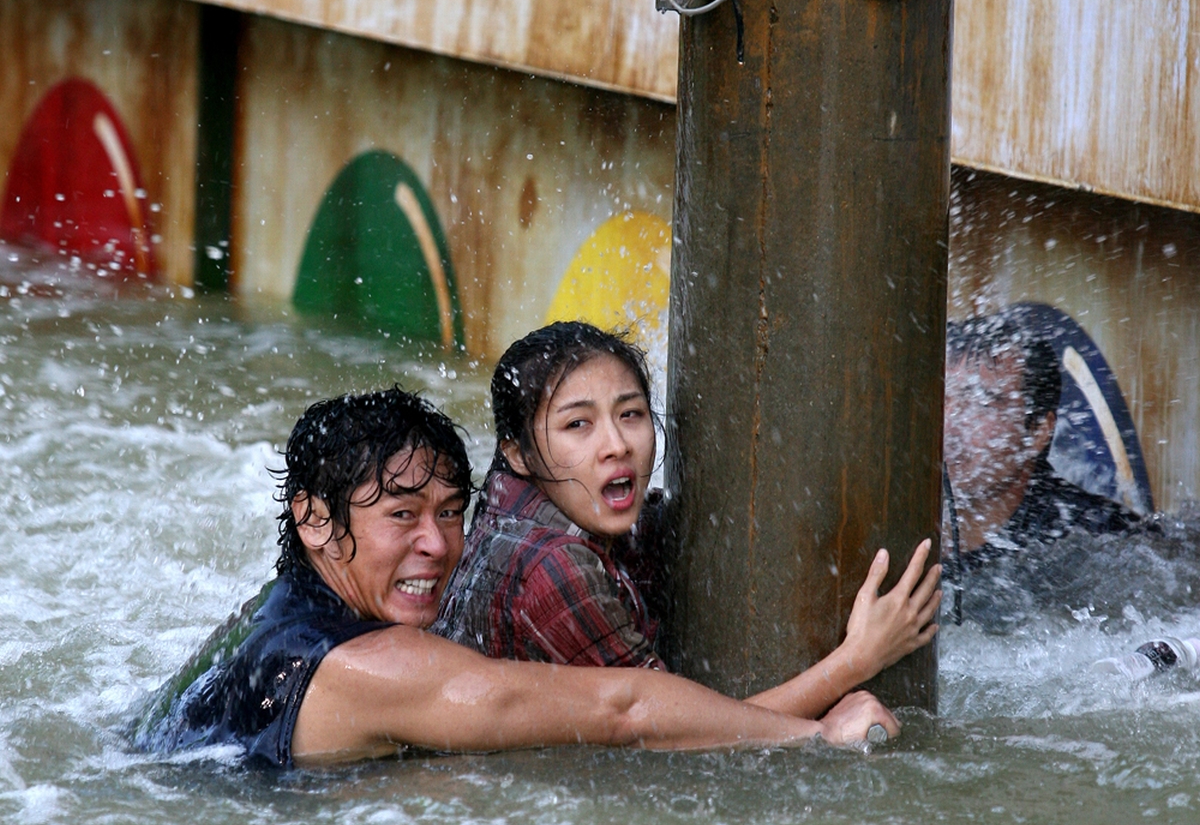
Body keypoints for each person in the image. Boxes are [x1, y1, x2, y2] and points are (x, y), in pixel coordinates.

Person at [135, 382, 935, 769]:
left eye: (451, 512)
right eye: (402, 515)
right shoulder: (378, 667)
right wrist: (829, 712)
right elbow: (624, 712)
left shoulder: (275, 608)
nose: (437, 543)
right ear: (313, 518)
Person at [434, 321, 941, 719]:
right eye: (578, 424)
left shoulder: (509, 512)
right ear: (518, 453)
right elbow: (676, 735)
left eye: (630, 414)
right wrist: (857, 660)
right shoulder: (555, 569)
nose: (617, 445)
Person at [943, 314, 1139, 575]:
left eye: (981, 403)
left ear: (1037, 432)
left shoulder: (1101, 541)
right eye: (943, 398)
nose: (948, 425)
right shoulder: (896, 516)